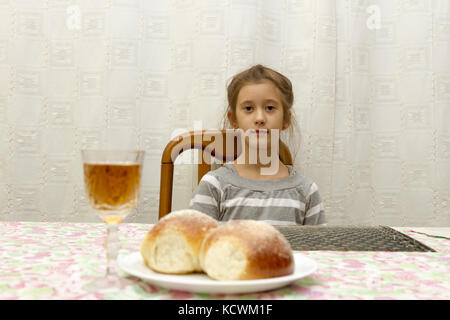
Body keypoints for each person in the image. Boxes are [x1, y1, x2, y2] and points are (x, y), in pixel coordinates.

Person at [189, 64, 326, 225]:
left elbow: (319, 250)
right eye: (248, 108)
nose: (260, 118)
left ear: (286, 120)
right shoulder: (214, 186)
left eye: (270, 108)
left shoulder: (306, 192)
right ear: (233, 119)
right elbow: (196, 246)